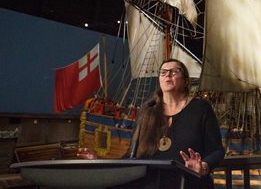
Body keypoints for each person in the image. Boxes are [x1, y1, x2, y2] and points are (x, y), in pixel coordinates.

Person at [79, 58, 225, 188]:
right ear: (160, 80)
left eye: (174, 71)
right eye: (163, 72)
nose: (168, 74)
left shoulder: (201, 107)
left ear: (186, 81)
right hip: (150, 183)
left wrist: (203, 167)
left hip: (188, 182)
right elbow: (132, 155)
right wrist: (99, 162)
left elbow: (217, 150)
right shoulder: (147, 110)